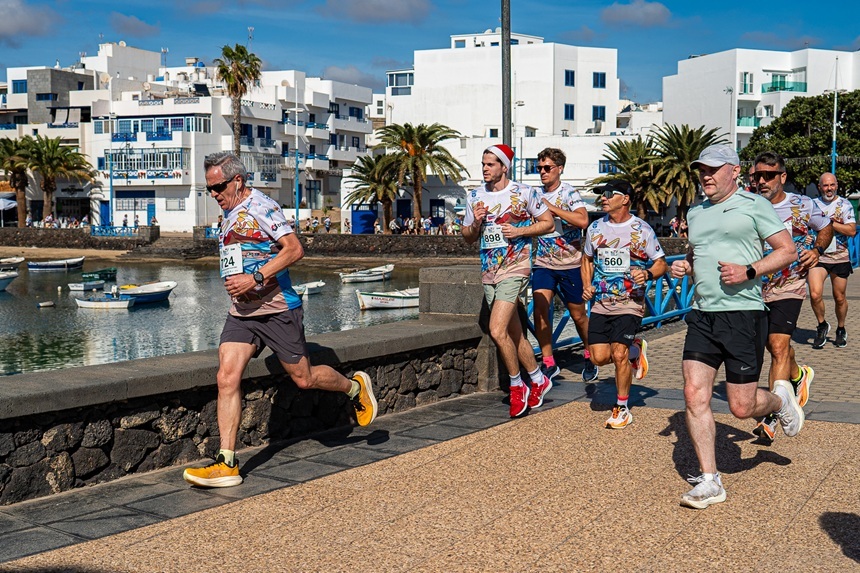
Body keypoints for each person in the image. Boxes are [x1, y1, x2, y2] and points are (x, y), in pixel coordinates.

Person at [183, 151, 378, 488]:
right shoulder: (229, 211)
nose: (213, 194)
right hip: (243, 312)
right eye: (209, 188)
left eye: (218, 187)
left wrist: (255, 278)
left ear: (237, 181)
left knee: (304, 378)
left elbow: (294, 249)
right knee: (226, 377)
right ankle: (227, 463)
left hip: (277, 310)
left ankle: (355, 388)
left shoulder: (262, 206)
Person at [670, 144, 803, 509]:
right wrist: (685, 266)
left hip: (743, 313)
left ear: (734, 171)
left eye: (713, 169)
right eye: (702, 170)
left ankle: (780, 401)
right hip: (702, 314)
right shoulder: (696, 212)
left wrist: (749, 270)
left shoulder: (754, 205)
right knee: (694, 394)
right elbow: (698, 254)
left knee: (741, 408)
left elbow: (787, 250)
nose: (706, 175)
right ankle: (710, 480)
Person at [462, 144, 555, 417]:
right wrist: (476, 224)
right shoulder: (475, 196)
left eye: (490, 164)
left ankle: (517, 386)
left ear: (504, 167)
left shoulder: (524, 192)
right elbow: (467, 237)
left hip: (516, 267)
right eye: (483, 164)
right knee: (514, 332)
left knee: (496, 329)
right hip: (489, 270)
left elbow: (548, 223)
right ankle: (537, 378)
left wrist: (519, 231)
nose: (485, 168)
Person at [751, 151, 832, 442]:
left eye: (769, 175)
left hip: (790, 284)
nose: (762, 181)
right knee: (773, 346)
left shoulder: (802, 204)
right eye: (758, 176)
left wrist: (817, 251)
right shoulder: (747, 205)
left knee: (777, 345)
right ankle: (798, 375)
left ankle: (773, 415)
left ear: (782, 177)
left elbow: (826, 227)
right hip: (755, 288)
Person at [581, 179, 667, 428]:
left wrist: (647, 274)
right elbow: (586, 259)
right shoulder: (595, 228)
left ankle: (622, 408)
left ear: (625, 199)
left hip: (630, 302)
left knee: (618, 353)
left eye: (609, 193)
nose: (604, 198)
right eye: (602, 194)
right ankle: (635, 350)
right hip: (601, 302)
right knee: (598, 358)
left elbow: (661, 263)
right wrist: (587, 285)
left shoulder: (642, 230)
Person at [531, 148, 597, 383]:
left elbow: (583, 220)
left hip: (570, 264)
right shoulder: (534, 194)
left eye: (547, 167)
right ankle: (549, 362)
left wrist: (551, 208)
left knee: (578, 316)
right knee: (540, 309)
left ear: (559, 169)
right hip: (543, 263)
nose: (542, 172)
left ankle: (589, 354)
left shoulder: (569, 192)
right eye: (539, 168)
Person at [808, 171, 856, 349]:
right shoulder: (812, 205)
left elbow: (851, 230)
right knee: (814, 294)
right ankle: (822, 325)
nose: (829, 188)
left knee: (839, 297)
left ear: (836, 186)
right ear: (819, 187)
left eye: (832, 185)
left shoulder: (845, 204)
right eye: (825, 185)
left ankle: (841, 328)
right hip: (818, 255)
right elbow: (804, 226)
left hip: (839, 256)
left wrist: (828, 224)